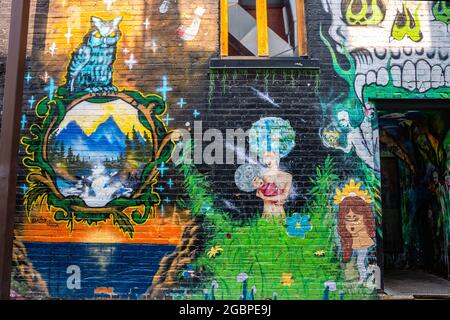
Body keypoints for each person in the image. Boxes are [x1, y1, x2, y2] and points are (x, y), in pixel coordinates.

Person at [337, 196, 376, 285]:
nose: (351, 224)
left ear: (365, 218)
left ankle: (364, 277)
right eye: (348, 219)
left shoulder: (363, 236)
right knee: (359, 261)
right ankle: (365, 274)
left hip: (363, 244)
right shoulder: (352, 236)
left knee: (360, 262)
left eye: (355, 219)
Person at [255, 152, 292, 223]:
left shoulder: (288, 176)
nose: (268, 159)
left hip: (280, 213)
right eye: (266, 158)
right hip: (267, 212)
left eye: (270, 157)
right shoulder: (263, 176)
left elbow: (285, 195)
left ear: (277, 159)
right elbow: (258, 193)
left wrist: (266, 198)